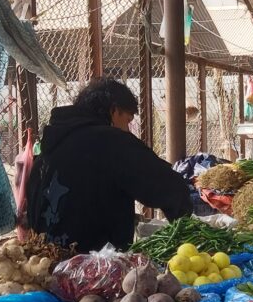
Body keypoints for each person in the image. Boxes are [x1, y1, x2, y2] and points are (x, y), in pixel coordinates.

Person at [24, 78, 192, 252]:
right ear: (114, 110)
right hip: (97, 263)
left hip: (44, 257)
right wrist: (187, 235)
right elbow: (169, 186)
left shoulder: (50, 145)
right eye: (127, 120)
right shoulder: (112, 142)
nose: (127, 129)